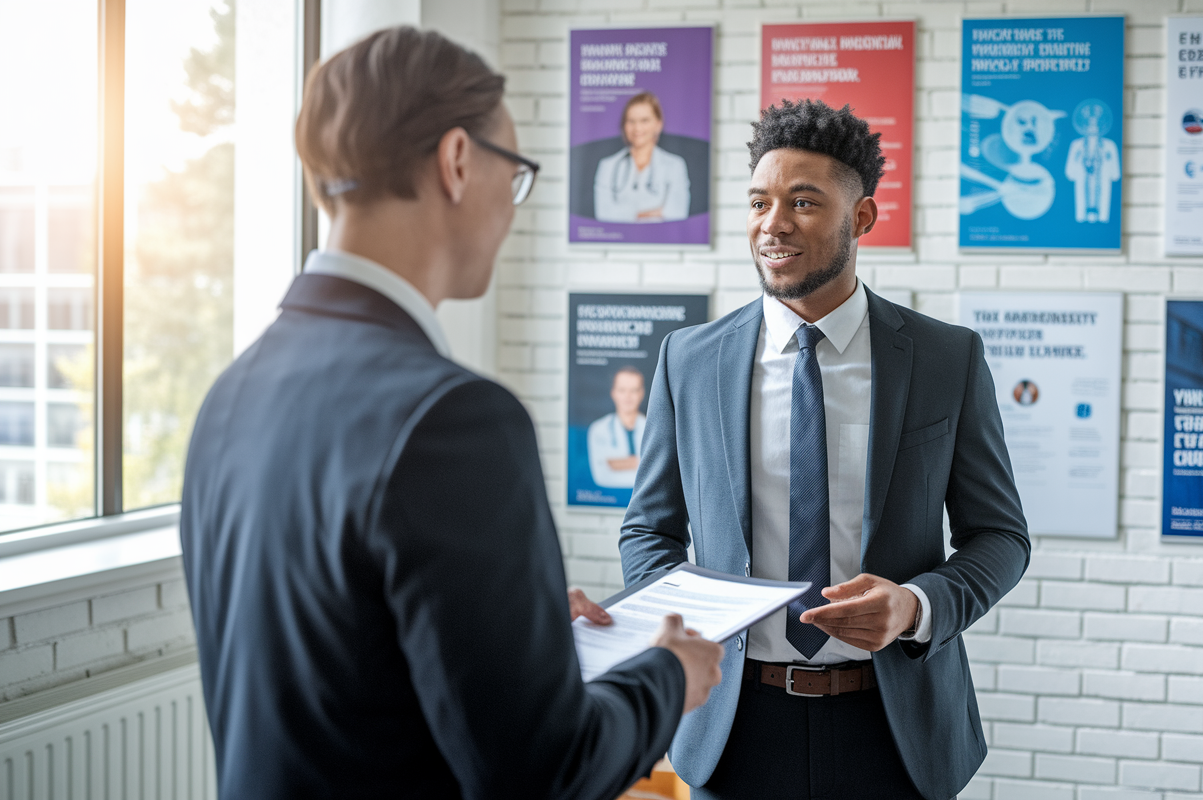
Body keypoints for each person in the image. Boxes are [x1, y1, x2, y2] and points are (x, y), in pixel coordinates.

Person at [180, 27, 722, 800]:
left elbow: (341, 664)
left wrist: (514, 624)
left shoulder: (232, 391)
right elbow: (545, 772)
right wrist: (669, 675)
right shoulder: (456, 419)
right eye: (519, 174)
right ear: (458, 161)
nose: (513, 206)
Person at [619, 99, 1031, 800]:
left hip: (897, 730)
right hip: (732, 726)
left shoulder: (943, 358)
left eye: (802, 202)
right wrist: (692, 620)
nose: (771, 224)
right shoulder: (688, 359)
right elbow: (648, 530)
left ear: (862, 218)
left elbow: (1000, 536)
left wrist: (915, 607)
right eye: (758, 202)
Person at [594, 91, 690, 223]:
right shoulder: (608, 165)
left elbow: (676, 214)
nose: (637, 128)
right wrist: (656, 213)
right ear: (624, 126)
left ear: (658, 124)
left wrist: (624, 215)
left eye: (644, 120)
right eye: (631, 121)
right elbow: (604, 214)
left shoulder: (675, 165)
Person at [587, 365, 647, 488]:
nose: (628, 396)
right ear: (613, 393)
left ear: (642, 393)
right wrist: (642, 462)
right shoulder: (599, 429)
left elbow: (658, 473)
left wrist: (616, 464)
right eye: (622, 390)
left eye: (634, 390)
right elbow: (602, 477)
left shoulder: (653, 428)